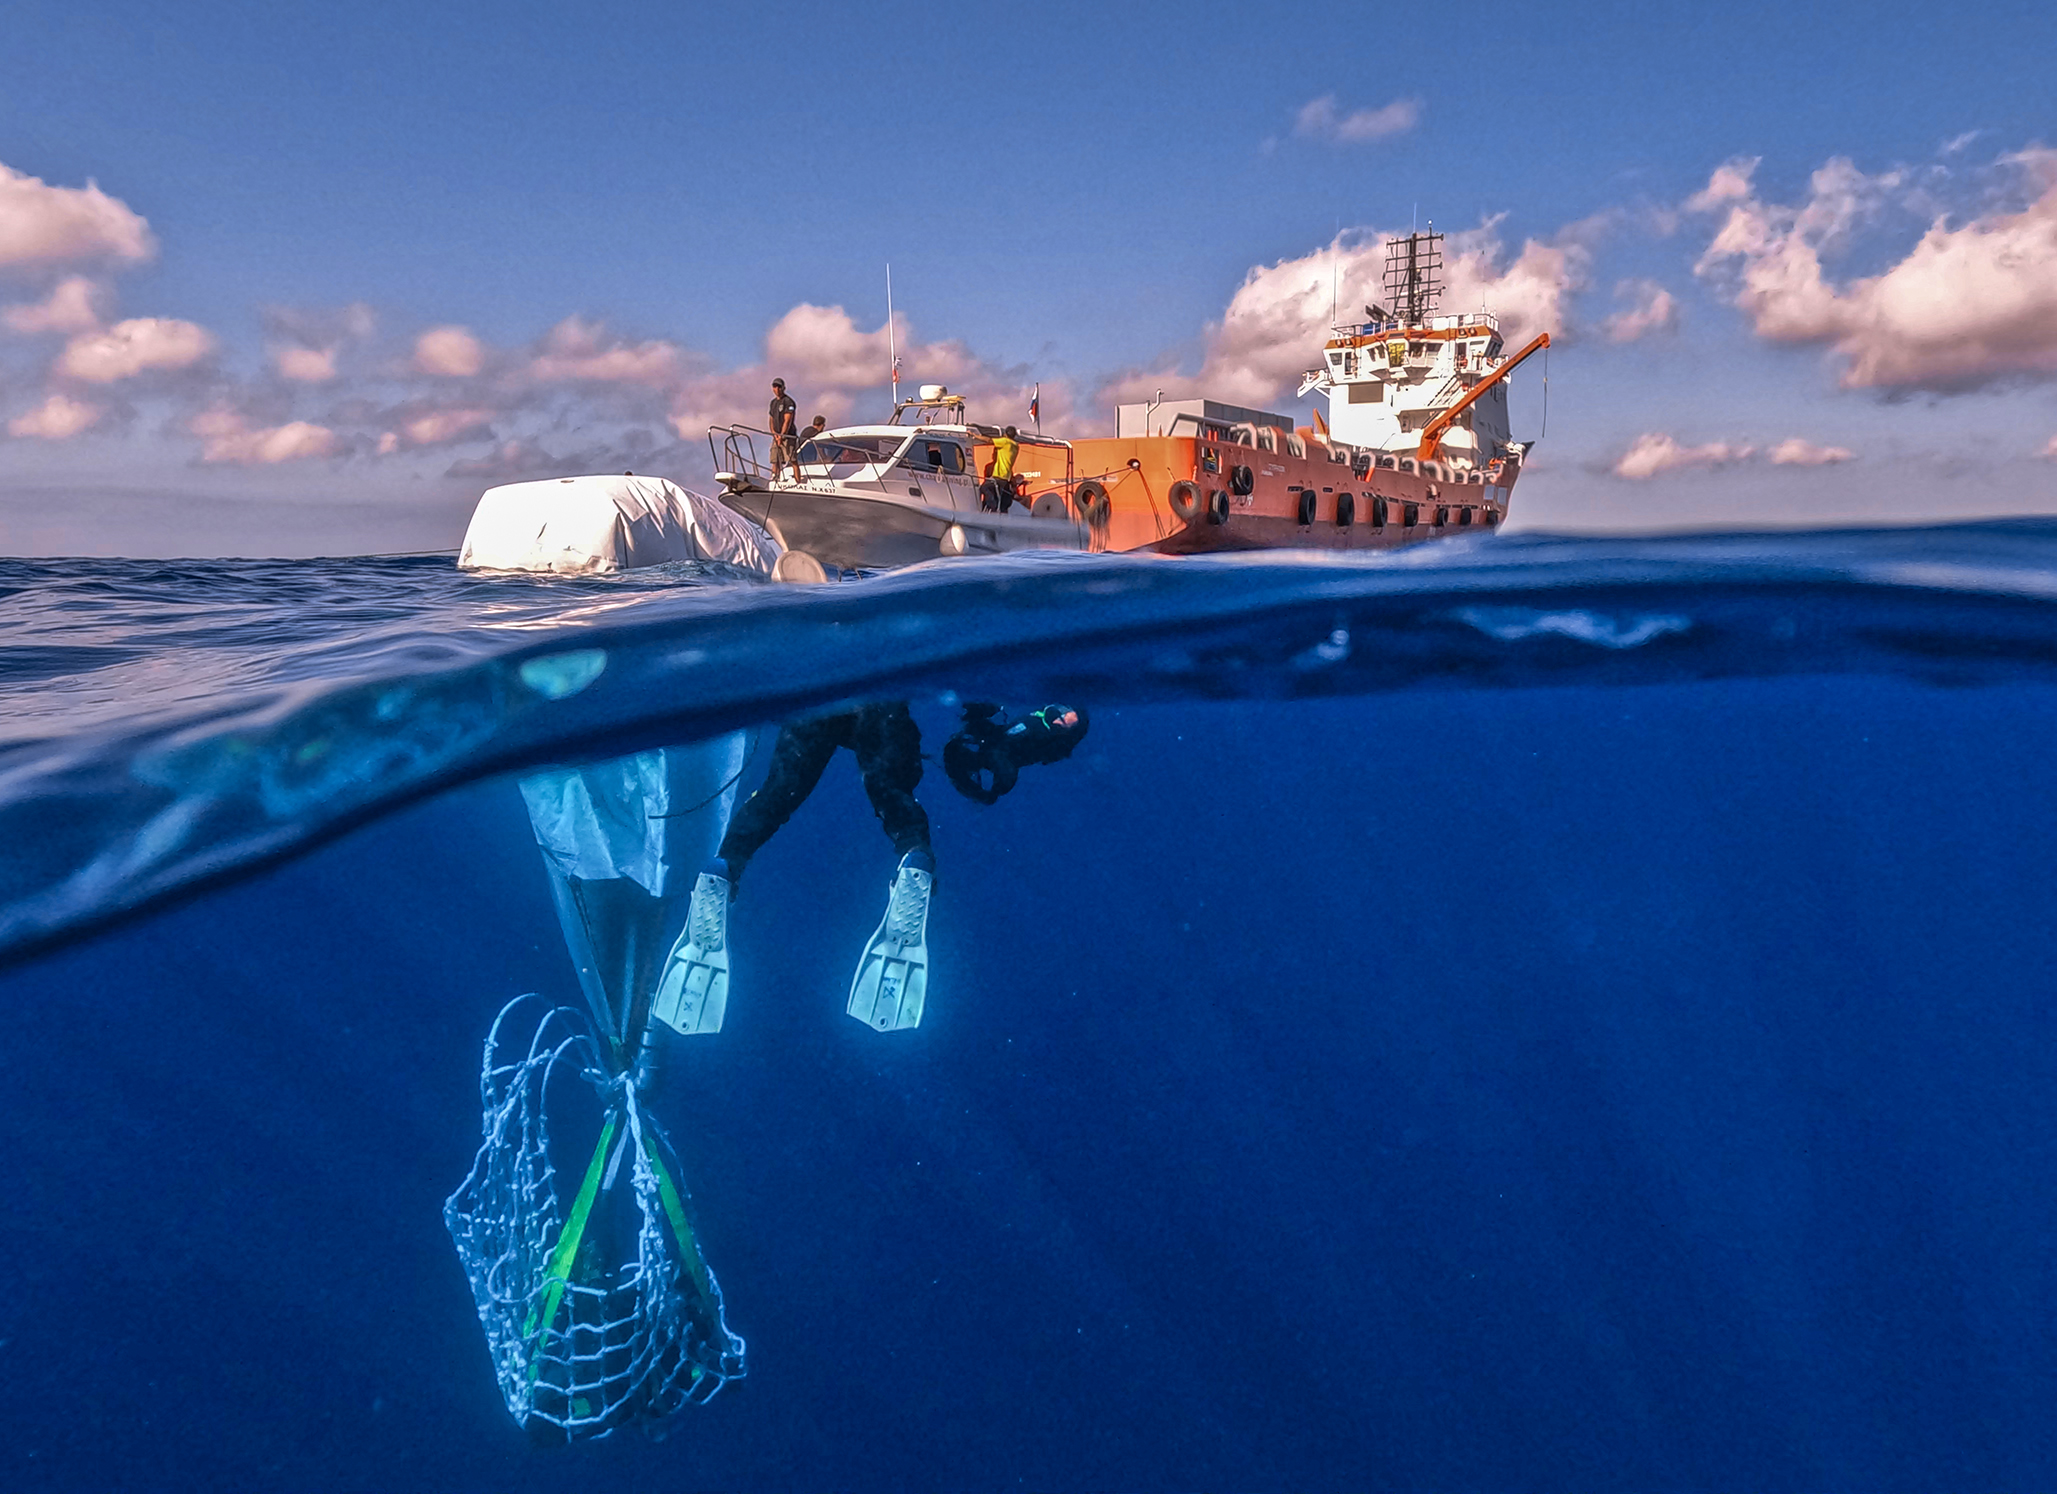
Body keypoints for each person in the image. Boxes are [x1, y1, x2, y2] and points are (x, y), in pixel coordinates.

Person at [655, 702, 936, 1034]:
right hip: (878, 697)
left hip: (818, 694)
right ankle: (914, 858)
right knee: (894, 793)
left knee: (776, 795)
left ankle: (724, 867)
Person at [942, 702, 1089, 804]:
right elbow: (1001, 739)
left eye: (1063, 723)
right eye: (1062, 714)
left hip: (1000, 755)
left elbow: (1003, 755)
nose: (1057, 720)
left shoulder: (1050, 740)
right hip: (993, 747)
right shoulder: (1034, 724)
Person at [980, 425, 1021, 512]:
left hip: (999, 475)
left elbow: (989, 440)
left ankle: (992, 506)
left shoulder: (1005, 442)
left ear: (1005, 435)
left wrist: (974, 435)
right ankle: (1001, 514)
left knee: (984, 487)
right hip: (1006, 478)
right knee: (1002, 499)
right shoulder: (1016, 446)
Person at [768, 377, 798, 480]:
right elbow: (771, 419)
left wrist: (782, 435)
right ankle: (774, 478)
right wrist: (774, 433)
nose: (777, 389)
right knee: (774, 459)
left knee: (792, 459)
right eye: (775, 386)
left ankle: (798, 481)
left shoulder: (788, 402)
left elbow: (787, 420)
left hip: (788, 436)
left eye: (779, 387)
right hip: (776, 436)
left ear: (783, 388)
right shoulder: (773, 403)